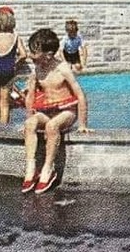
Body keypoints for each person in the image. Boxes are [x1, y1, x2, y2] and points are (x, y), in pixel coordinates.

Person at [22, 28, 90, 194]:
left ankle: (48, 169)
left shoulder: (63, 69)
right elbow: (30, 96)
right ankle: (31, 168)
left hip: (67, 112)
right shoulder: (37, 69)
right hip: (48, 111)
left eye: (35, 52)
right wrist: (29, 117)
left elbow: (80, 95)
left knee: (52, 126)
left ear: (49, 54)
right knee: (30, 123)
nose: (31, 55)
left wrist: (82, 124)